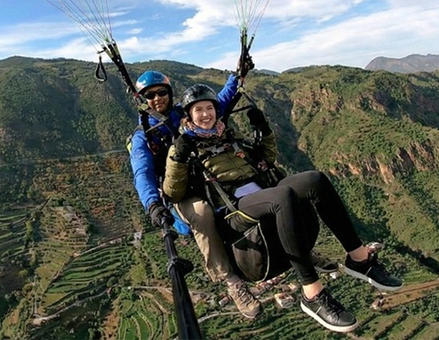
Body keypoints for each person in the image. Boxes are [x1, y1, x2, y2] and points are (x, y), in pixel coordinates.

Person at [163, 84, 403, 333]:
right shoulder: (183, 148)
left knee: (315, 180)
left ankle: (359, 259)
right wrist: (178, 158)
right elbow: (174, 192)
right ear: (189, 116)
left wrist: (263, 130)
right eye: (198, 110)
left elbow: (266, 159)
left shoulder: (230, 137)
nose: (205, 114)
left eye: (209, 108)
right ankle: (312, 293)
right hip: (234, 209)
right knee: (282, 195)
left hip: (263, 192)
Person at [128, 68, 263, 319]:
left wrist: (237, 76)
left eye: (161, 92)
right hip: (181, 192)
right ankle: (231, 281)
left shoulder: (184, 114)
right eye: (150, 95)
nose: (157, 98)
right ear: (143, 99)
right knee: (201, 212)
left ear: (169, 92)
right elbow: (142, 172)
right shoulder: (143, 136)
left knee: (257, 184)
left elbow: (218, 103)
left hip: (209, 177)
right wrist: (153, 204)